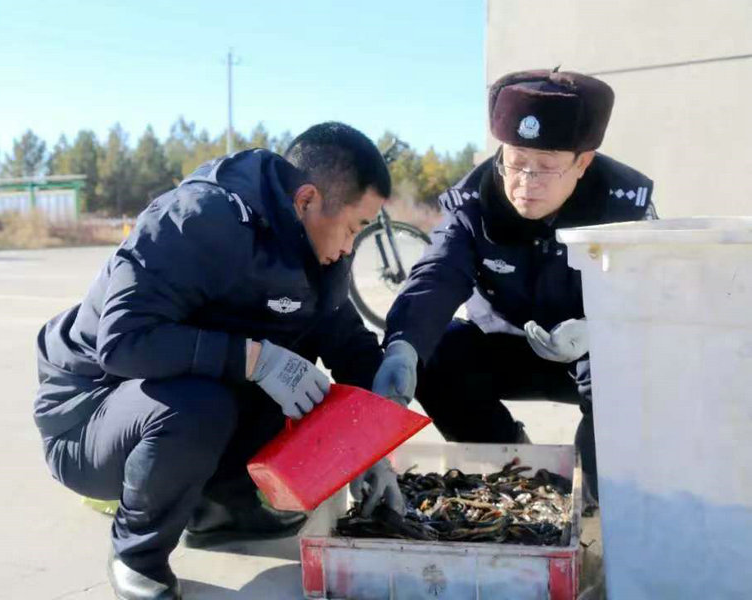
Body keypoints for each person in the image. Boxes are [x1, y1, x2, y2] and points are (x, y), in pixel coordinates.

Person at [33, 122, 398, 599]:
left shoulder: (317, 252)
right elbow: (124, 342)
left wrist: (375, 452)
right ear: (307, 200)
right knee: (204, 401)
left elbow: (349, 346)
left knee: (300, 389)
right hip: (92, 416)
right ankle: (136, 552)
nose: (350, 247)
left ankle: (222, 510)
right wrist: (257, 360)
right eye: (352, 229)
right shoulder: (196, 219)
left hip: (178, 398)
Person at [371, 69, 657, 506]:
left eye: (547, 166)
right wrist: (403, 347)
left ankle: (600, 493)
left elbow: (656, 295)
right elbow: (436, 275)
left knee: (632, 373)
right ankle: (514, 470)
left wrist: (600, 329)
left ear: (583, 163)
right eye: (517, 161)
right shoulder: (474, 201)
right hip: (507, 345)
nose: (526, 181)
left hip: (595, 354)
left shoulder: (624, 204)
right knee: (437, 352)